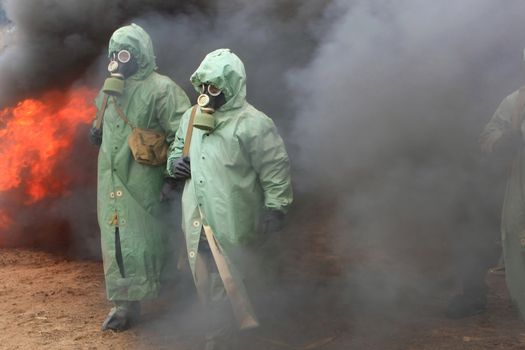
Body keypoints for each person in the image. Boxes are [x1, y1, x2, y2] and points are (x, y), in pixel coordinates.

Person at [166, 48, 293, 350]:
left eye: (214, 87)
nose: (206, 94)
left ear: (231, 86)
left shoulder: (253, 123)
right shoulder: (191, 117)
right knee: (206, 274)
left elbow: (275, 168)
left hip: (234, 214)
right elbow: (176, 150)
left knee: (233, 274)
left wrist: (277, 206)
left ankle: (228, 334)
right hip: (196, 215)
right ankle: (219, 333)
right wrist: (175, 165)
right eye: (202, 86)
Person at [88, 23, 190, 331]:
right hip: (112, 183)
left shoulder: (163, 89)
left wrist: (173, 177)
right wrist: (95, 131)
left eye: (125, 54)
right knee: (118, 245)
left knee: (156, 241)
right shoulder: (108, 92)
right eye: (114, 55)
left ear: (140, 54)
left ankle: (178, 292)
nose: (119, 62)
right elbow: (100, 127)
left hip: (148, 184)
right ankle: (124, 307)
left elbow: (183, 134)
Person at [478, 76, 525, 320]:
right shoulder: (516, 101)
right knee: (518, 240)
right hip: (521, 182)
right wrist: (506, 140)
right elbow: (488, 135)